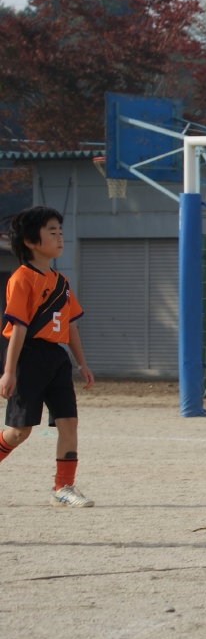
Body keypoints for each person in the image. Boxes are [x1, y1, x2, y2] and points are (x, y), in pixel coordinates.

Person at [0, 206, 94, 506]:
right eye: (52, 231)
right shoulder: (21, 278)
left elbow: (70, 326)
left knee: (69, 422)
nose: (60, 237)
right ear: (30, 241)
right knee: (19, 432)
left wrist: (81, 363)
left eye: (60, 231)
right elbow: (18, 328)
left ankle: (63, 488)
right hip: (28, 357)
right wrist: (9, 371)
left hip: (56, 358)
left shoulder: (62, 282)